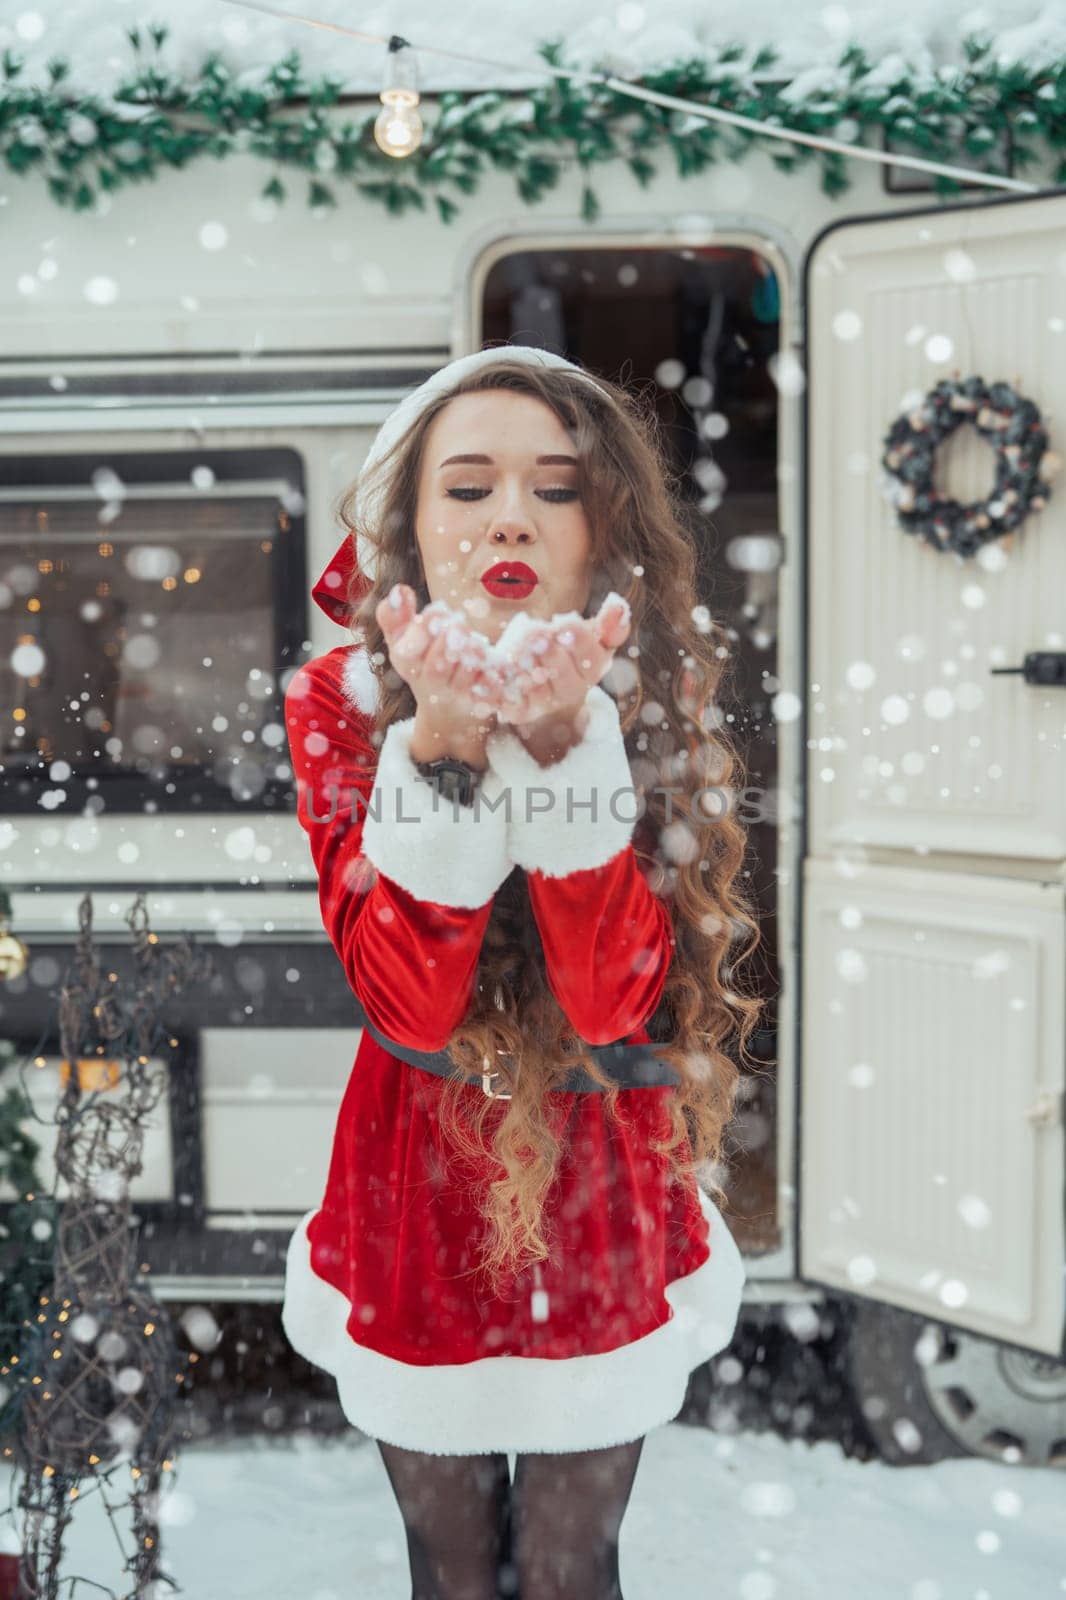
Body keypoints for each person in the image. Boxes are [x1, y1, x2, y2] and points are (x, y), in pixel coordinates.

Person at [282, 344, 763, 1599]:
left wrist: (564, 747)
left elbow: (615, 1001)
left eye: (556, 487)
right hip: (414, 1168)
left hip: (600, 1156)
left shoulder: (648, 686)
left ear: (604, 522)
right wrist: (437, 748)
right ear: (409, 520)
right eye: (468, 485)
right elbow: (405, 997)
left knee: (566, 1567)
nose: (510, 515)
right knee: (447, 1568)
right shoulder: (340, 698)